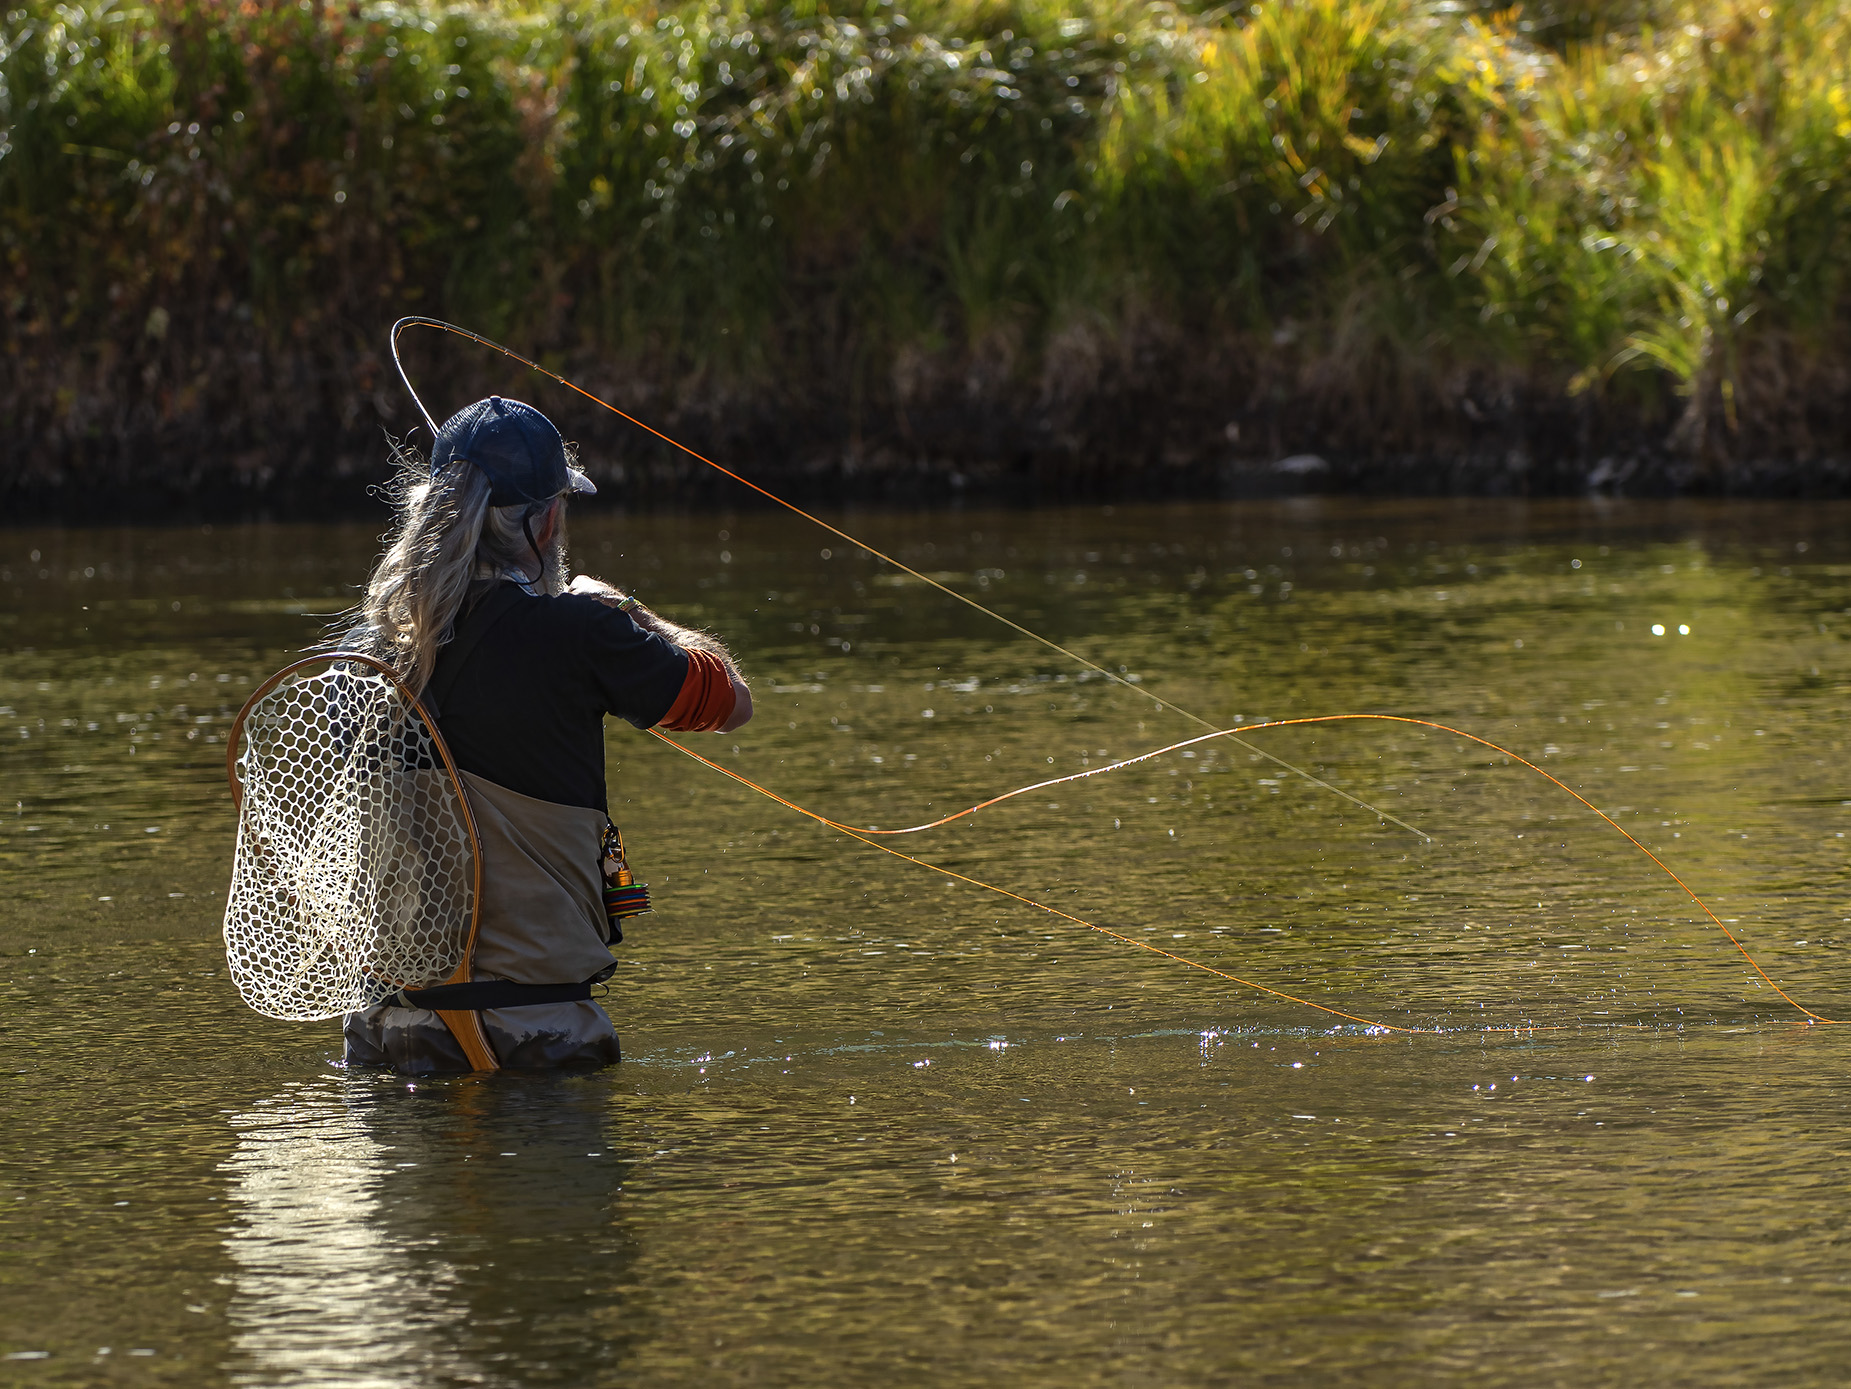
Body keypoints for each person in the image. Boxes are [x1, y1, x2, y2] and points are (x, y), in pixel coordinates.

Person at [337, 395, 751, 1073]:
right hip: (534, 1037)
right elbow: (731, 701)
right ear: (547, 519)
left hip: (388, 1038)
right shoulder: (583, 632)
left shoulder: (365, 656)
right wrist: (626, 611)